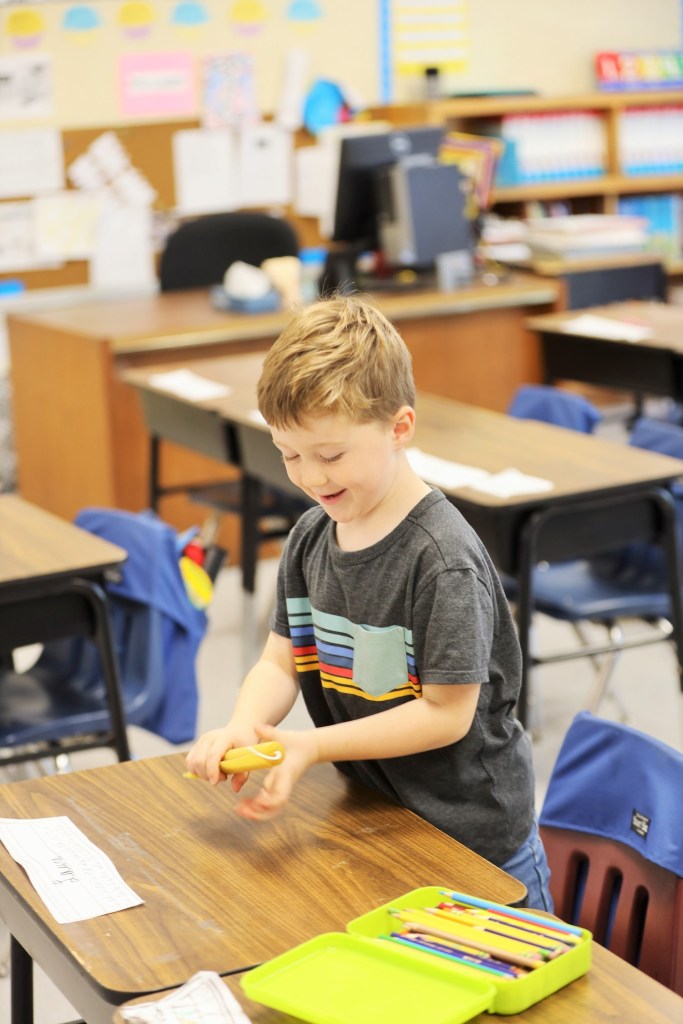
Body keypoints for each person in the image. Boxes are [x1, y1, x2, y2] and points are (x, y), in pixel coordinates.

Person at [186, 294, 552, 910]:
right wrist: (245, 722)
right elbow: (279, 662)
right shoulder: (311, 539)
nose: (311, 477)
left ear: (399, 428)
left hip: (475, 842)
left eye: (331, 455)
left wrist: (313, 746)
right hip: (382, 816)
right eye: (290, 455)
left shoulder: (442, 560)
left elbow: (447, 715)